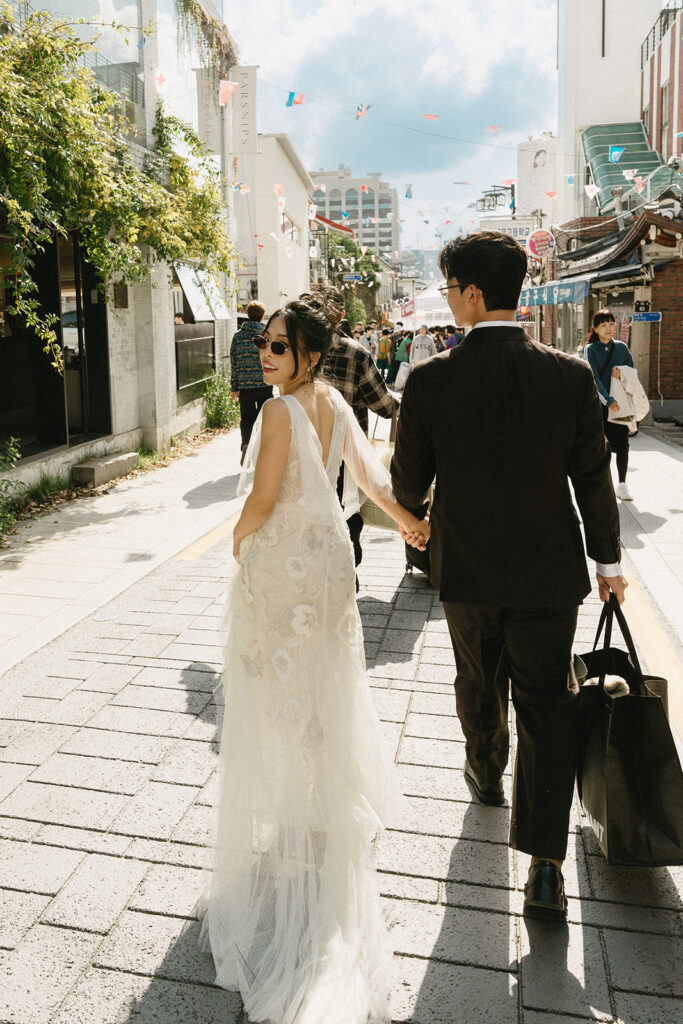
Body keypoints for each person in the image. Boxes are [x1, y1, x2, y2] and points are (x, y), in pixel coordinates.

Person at [198, 294, 429, 1024]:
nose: (264, 356)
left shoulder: (277, 413)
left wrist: (234, 540)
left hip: (283, 568)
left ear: (305, 351)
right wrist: (409, 523)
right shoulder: (332, 398)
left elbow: (263, 499)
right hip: (330, 567)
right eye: (264, 344)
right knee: (323, 689)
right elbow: (366, 480)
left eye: (277, 346)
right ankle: (326, 814)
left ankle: (307, 817)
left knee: (277, 695)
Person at [390, 231, 627, 922]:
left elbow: (409, 481)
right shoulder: (567, 375)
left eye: (448, 288)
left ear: (470, 291)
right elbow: (593, 479)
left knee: (476, 676)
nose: (446, 301)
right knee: (546, 705)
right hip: (549, 572)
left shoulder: (432, 379)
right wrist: (607, 563)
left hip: (464, 567)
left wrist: (415, 521)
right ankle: (546, 868)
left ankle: (485, 769)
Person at [321, 291, 399, 570]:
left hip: (301, 450)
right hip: (343, 451)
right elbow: (384, 405)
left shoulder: (294, 349)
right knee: (346, 512)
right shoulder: (354, 352)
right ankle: (345, 572)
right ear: (341, 315)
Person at [584, 309, 635, 501]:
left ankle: (622, 484)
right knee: (598, 447)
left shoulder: (621, 348)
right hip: (599, 406)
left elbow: (632, 371)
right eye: (603, 325)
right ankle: (600, 484)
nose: (608, 328)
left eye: (611, 324)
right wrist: (608, 400)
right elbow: (593, 377)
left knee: (622, 444)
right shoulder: (590, 350)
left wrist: (621, 373)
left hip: (620, 404)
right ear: (595, 329)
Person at [230, 301, 272, 463]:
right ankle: (263, 450)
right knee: (266, 417)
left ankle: (246, 444)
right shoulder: (266, 335)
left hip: (245, 385)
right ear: (262, 316)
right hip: (264, 383)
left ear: (248, 315)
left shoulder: (238, 336)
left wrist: (235, 387)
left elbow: (234, 363)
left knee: (247, 418)